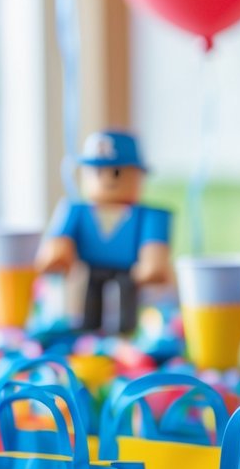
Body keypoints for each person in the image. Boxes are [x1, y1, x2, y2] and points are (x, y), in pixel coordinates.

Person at [36, 131, 172, 335]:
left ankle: (125, 329)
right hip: (93, 268)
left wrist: (153, 263)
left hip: (128, 271)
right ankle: (89, 327)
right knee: (91, 298)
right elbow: (59, 238)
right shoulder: (75, 210)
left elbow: (154, 244)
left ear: (138, 175)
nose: (107, 178)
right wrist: (57, 255)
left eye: (116, 171)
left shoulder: (147, 215)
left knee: (126, 301)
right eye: (97, 171)